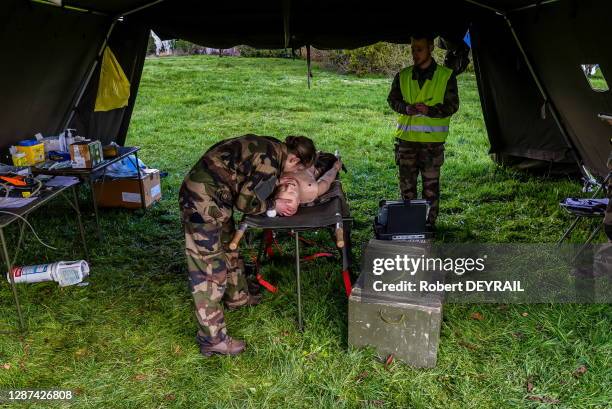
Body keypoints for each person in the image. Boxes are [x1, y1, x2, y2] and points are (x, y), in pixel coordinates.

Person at [179, 134, 316, 356]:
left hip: (216, 197)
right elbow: (245, 203)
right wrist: (274, 204)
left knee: (229, 247)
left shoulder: (273, 147)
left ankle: (238, 297)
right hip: (201, 201)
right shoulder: (270, 162)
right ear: (294, 160)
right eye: (295, 173)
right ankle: (212, 339)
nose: (291, 178)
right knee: (208, 269)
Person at [387, 33, 460, 229]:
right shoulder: (402, 76)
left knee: (430, 188)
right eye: (412, 49)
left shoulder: (446, 76)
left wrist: (430, 111)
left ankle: (428, 225)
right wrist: (405, 108)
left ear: (430, 48)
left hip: (432, 144)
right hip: (406, 142)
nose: (414, 54)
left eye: (419, 49)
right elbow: (392, 100)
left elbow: (452, 106)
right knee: (407, 187)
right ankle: (410, 223)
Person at [274, 153, 343, 213]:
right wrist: (335, 168)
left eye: (283, 188)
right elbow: (326, 180)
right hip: (315, 169)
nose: (289, 186)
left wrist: (277, 182)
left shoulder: (274, 184)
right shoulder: (310, 191)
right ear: (298, 201)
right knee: (327, 162)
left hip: (301, 161)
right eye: (292, 192)